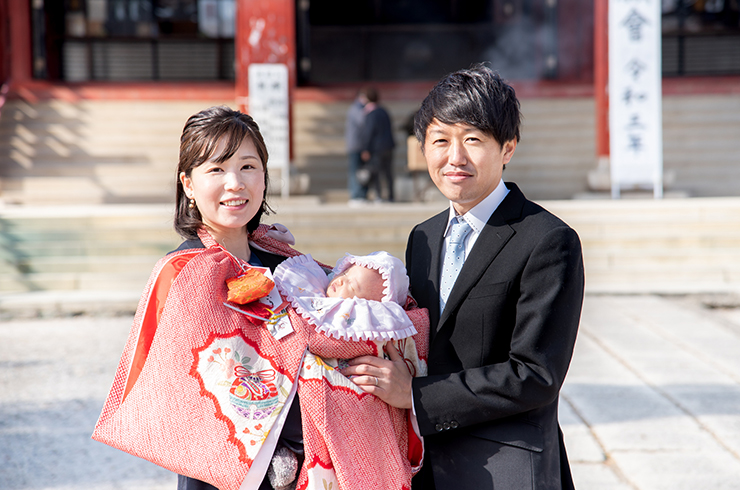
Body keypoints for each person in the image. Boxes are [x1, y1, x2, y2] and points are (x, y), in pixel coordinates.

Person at [342, 64, 585, 490]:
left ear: (507, 148)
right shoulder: (424, 237)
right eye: (440, 141)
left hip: (505, 464)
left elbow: (536, 375)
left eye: (473, 140)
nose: (455, 158)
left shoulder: (548, 240)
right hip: (425, 465)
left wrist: (415, 396)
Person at [272, 251, 428, 490]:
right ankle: (284, 451)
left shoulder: (363, 326)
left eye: (352, 288)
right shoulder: (311, 296)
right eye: (344, 273)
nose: (341, 280)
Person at [360, 87, 396, 203]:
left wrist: (365, 148)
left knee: (376, 172)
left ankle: (379, 195)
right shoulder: (384, 111)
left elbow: (369, 132)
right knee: (388, 172)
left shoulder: (371, 114)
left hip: (377, 148)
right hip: (388, 146)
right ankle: (391, 196)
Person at [345, 90, 368, 205]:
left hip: (357, 145)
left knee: (359, 172)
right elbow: (362, 122)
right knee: (355, 172)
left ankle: (360, 194)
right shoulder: (356, 109)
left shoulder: (356, 108)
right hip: (356, 146)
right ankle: (356, 195)